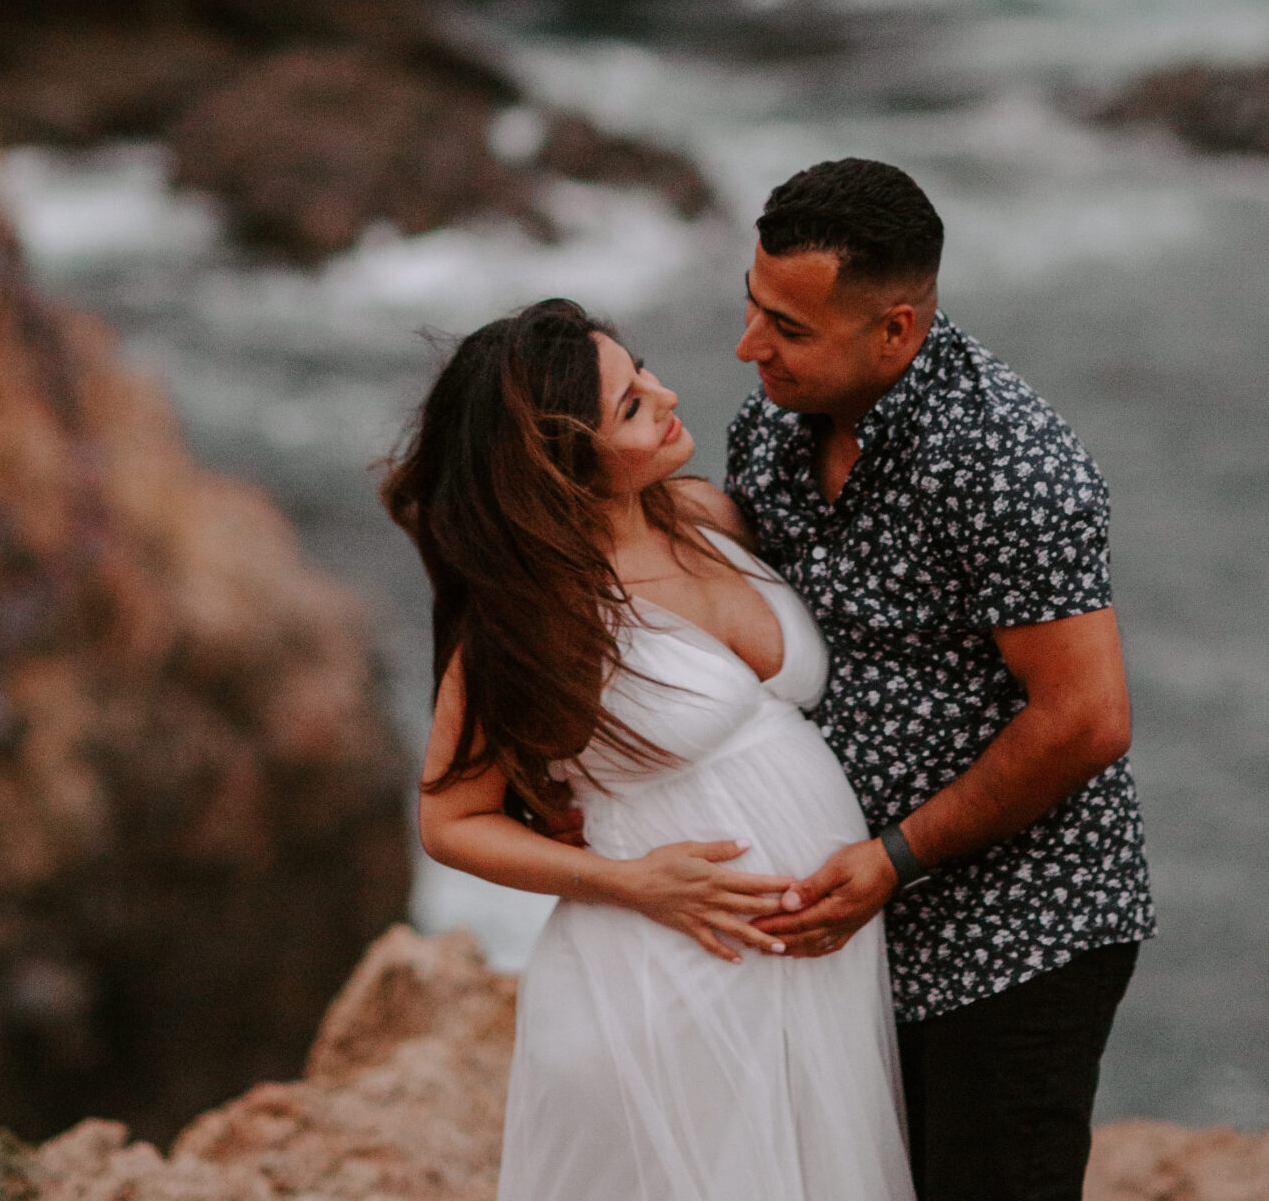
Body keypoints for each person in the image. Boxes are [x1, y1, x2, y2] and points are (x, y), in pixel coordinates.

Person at [383, 296, 917, 1201]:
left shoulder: (704, 514)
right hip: (667, 976)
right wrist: (633, 883)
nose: (667, 396)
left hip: (805, 961)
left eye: (641, 373)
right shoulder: (536, 616)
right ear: (561, 461)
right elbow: (449, 819)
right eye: (632, 406)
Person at [727, 157, 1154, 1201]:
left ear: (897, 330)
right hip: (860, 926)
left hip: (1015, 932)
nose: (750, 347)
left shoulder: (1009, 463)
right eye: (752, 310)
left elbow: (1085, 719)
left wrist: (893, 856)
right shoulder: (771, 427)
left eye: (787, 328)